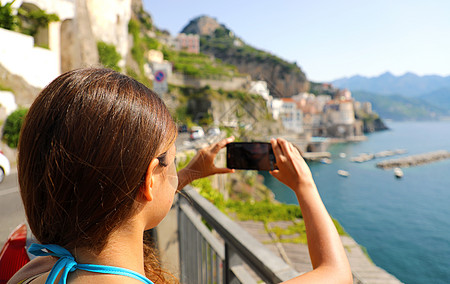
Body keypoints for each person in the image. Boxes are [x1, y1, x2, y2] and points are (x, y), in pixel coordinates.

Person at [10, 68, 352, 284]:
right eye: (171, 162)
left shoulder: (35, 271)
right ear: (148, 180)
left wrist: (187, 173)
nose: (175, 174)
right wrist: (304, 185)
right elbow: (336, 273)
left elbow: (119, 195)